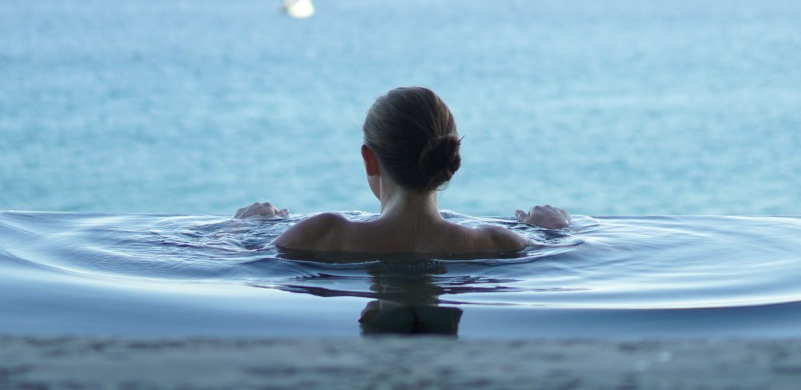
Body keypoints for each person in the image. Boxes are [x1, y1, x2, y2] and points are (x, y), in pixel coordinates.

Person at [235, 87, 571, 254]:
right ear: (449, 161)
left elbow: (219, 258)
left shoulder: (323, 235)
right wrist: (555, 231)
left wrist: (243, 228)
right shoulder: (497, 243)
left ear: (369, 159)